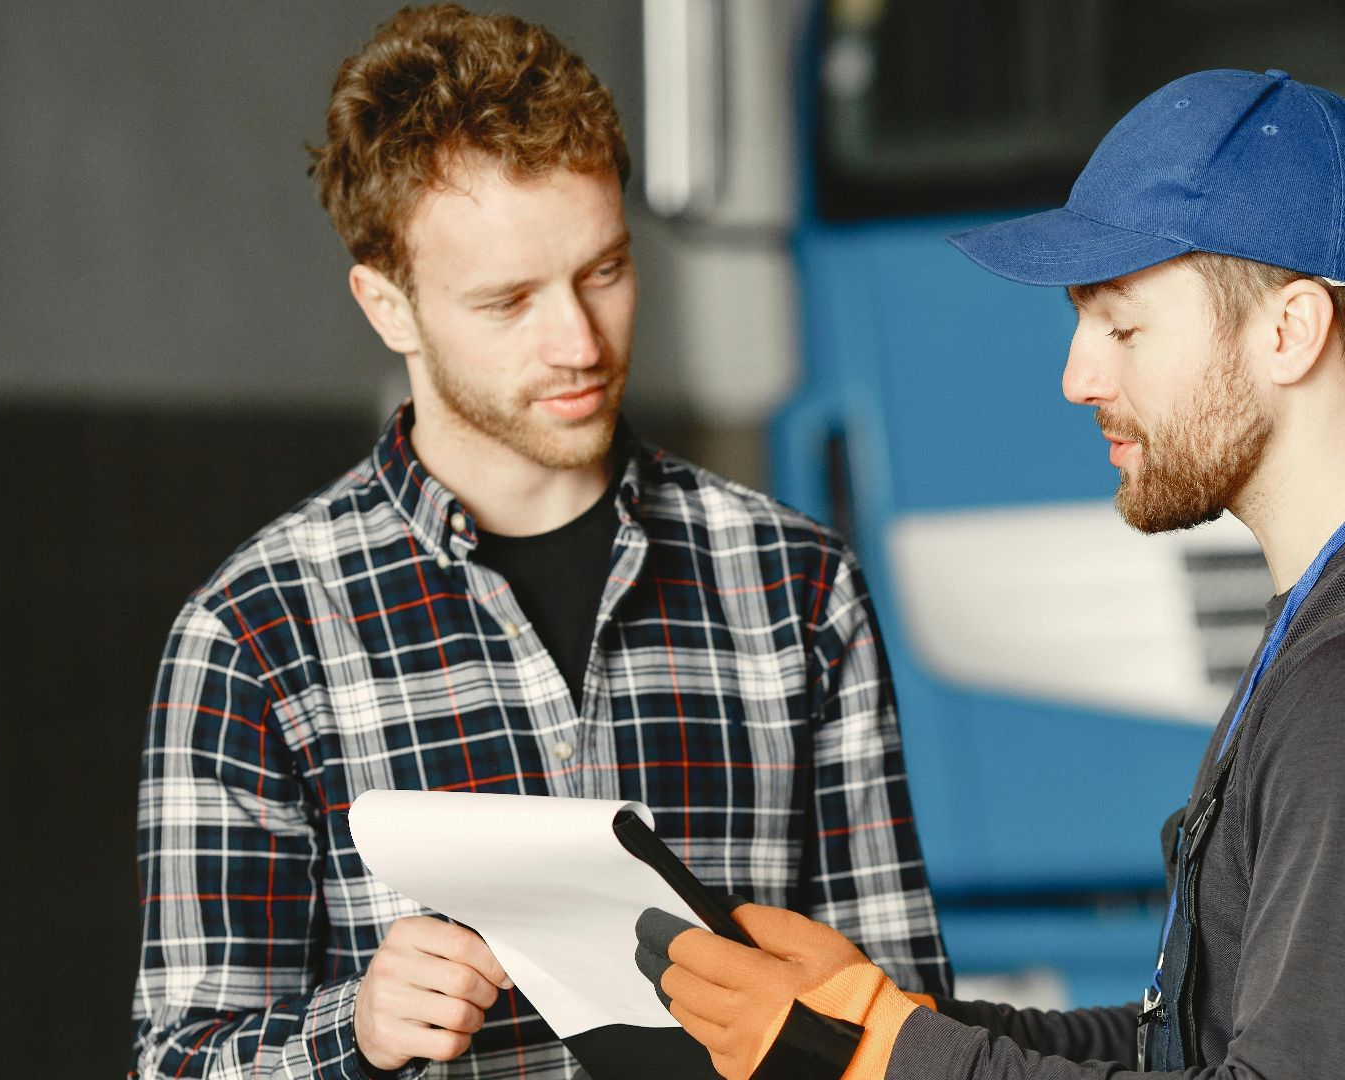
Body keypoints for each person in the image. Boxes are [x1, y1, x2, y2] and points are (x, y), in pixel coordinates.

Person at [636, 68, 1345, 1079]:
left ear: (1291, 332)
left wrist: (881, 1061)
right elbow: (1193, 1044)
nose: (1078, 377)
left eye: (1123, 325)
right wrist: (880, 1019)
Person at [130, 6, 950, 1077]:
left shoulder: (793, 585)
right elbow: (177, 1061)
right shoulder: (253, 639)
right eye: (508, 300)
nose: (579, 341)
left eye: (603, 271)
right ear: (390, 307)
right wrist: (355, 1033)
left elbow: (907, 1024)